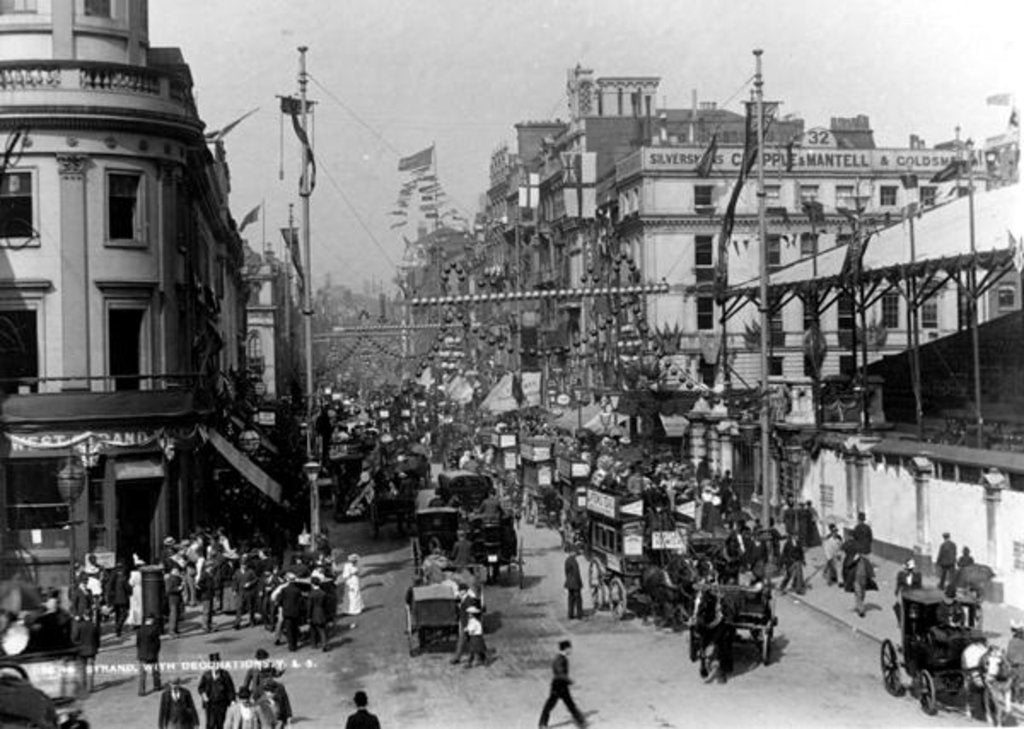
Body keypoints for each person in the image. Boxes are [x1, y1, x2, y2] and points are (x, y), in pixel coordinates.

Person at [538, 640, 587, 729]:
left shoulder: (560, 658)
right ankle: (542, 724)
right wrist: (571, 681)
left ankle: (581, 722)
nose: (571, 651)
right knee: (551, 705)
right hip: (558, 685)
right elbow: (560, 673)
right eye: (570, 648)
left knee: (569, 704)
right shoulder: (559, 659)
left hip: (561, 685)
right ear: (566, 648)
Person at [199, 653, 236, 729]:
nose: (215, 666)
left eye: (217, 663)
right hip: (210, 704)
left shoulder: (225, 674)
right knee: (210, 724)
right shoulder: (206, 675)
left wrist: (232, 700)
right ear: (211, 665)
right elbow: (200, 688)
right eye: (213, 664)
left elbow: (230, 688)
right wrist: (204, 695)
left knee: (220, 723)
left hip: (222, 704)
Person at [70, 611, 100, 693]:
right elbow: (97, 639)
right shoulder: (94, 626)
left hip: (81, 650)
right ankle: (90, 686)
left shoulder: (79, 626)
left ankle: (83, 686)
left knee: (82, 669)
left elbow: (74, 638)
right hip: (91, 650)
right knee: (90, 669)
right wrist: (96, 647)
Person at [136, 614, 162, 697]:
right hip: (152, 653)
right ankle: (157, 685)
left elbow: (138, 642)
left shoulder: (140, 630)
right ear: (152, 620)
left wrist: (139, 651)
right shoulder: (155, 629)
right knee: (155, 671)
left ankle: (141, 690)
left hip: (142, 654)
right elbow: (157, 642)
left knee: (142, 673)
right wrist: (157, 651)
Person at [278, 572, 305, 652]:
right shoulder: (297, 590)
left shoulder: (284, 590)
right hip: (295, 612)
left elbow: (280, 601)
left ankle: (291, 645)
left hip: (287, 612)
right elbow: (301, 601)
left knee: (289, 629)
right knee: (295, 628)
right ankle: (295, 644)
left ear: (287, 579)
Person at [893, 557, 922, 627]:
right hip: (904, 595)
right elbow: (898, 584)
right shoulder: (900, 574)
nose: (905, 570)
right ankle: (900, 621)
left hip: (912, 596)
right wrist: (897, 593)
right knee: (896, 607)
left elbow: (919, 587)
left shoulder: (917, 576)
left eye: (906, 569)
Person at [233, 560, 260, 630]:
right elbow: (235, 581)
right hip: (240, 592)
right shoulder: (237, 572)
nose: (244, 566)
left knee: (250, 607)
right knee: (239, 607)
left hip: (249, 592)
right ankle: (237, 623)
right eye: (242, 565)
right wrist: (234, 590)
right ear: (240, 565)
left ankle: (252, 621)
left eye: (245, 565)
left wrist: (250, 583)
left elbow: (256, 579)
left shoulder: (250, 571)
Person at [106, 562, 131, 636]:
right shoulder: (122, 575)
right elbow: (126, 586)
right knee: (124, 613)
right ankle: (118, 627)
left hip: (114, 598)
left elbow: (109, 587)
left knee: (117, 613)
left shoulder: (113, 574)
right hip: (122, 598)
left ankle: (118, 631)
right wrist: (130, 590)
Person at [307, 577, 329, 651]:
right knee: (322, 630)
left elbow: (309, 606)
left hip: (314, 613)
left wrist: (308, 616)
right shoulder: (323, 593)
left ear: (312, 584)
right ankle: (324, 644)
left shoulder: (311, 594)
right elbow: (326, 605)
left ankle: (314, 644)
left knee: (313, 629)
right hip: (321, 612)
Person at [564, 546, 583, 620]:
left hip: (569, 583)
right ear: (572, 553)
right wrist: (579, 584)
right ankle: (579, 615)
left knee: (570, 599)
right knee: (578, 600)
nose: (575, 554)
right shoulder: (574, 561)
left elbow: (566, 572)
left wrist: (568, 580)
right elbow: (576, 573)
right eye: (575, 552)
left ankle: (570, 614)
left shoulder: (567, 560)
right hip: (575, 583)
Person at [166, 564, 185, 636]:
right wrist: (178, 588)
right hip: (173, 599)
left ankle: (175, 629)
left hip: (178, 598)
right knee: (173, 615)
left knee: (177, 614)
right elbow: (168, 590)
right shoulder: (170, 579)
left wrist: (182, 586)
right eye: (176, 571)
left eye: (178, 571)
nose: (178, 572)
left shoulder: (178, 578)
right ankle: (172, 631)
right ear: (172, 571)